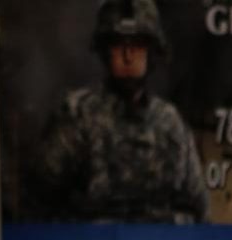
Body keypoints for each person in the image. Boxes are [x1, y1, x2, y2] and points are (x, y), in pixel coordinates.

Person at [35, 0, 208, 225]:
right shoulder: (78, 117)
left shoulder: (170, 123)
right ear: (106, 53)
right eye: (119, 46)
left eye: (137, 45)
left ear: (151, 53)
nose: (128, 56)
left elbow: (199, 210)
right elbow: (39, 202)